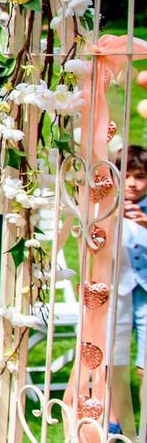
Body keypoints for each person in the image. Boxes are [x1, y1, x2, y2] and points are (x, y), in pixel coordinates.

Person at [106, 145, 147, 440]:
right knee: (113, 361)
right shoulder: (106, 206)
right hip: (117, 292)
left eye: (141, 177)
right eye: (127, 176)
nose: (132, 183)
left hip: (145, 295)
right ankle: (112, 423)